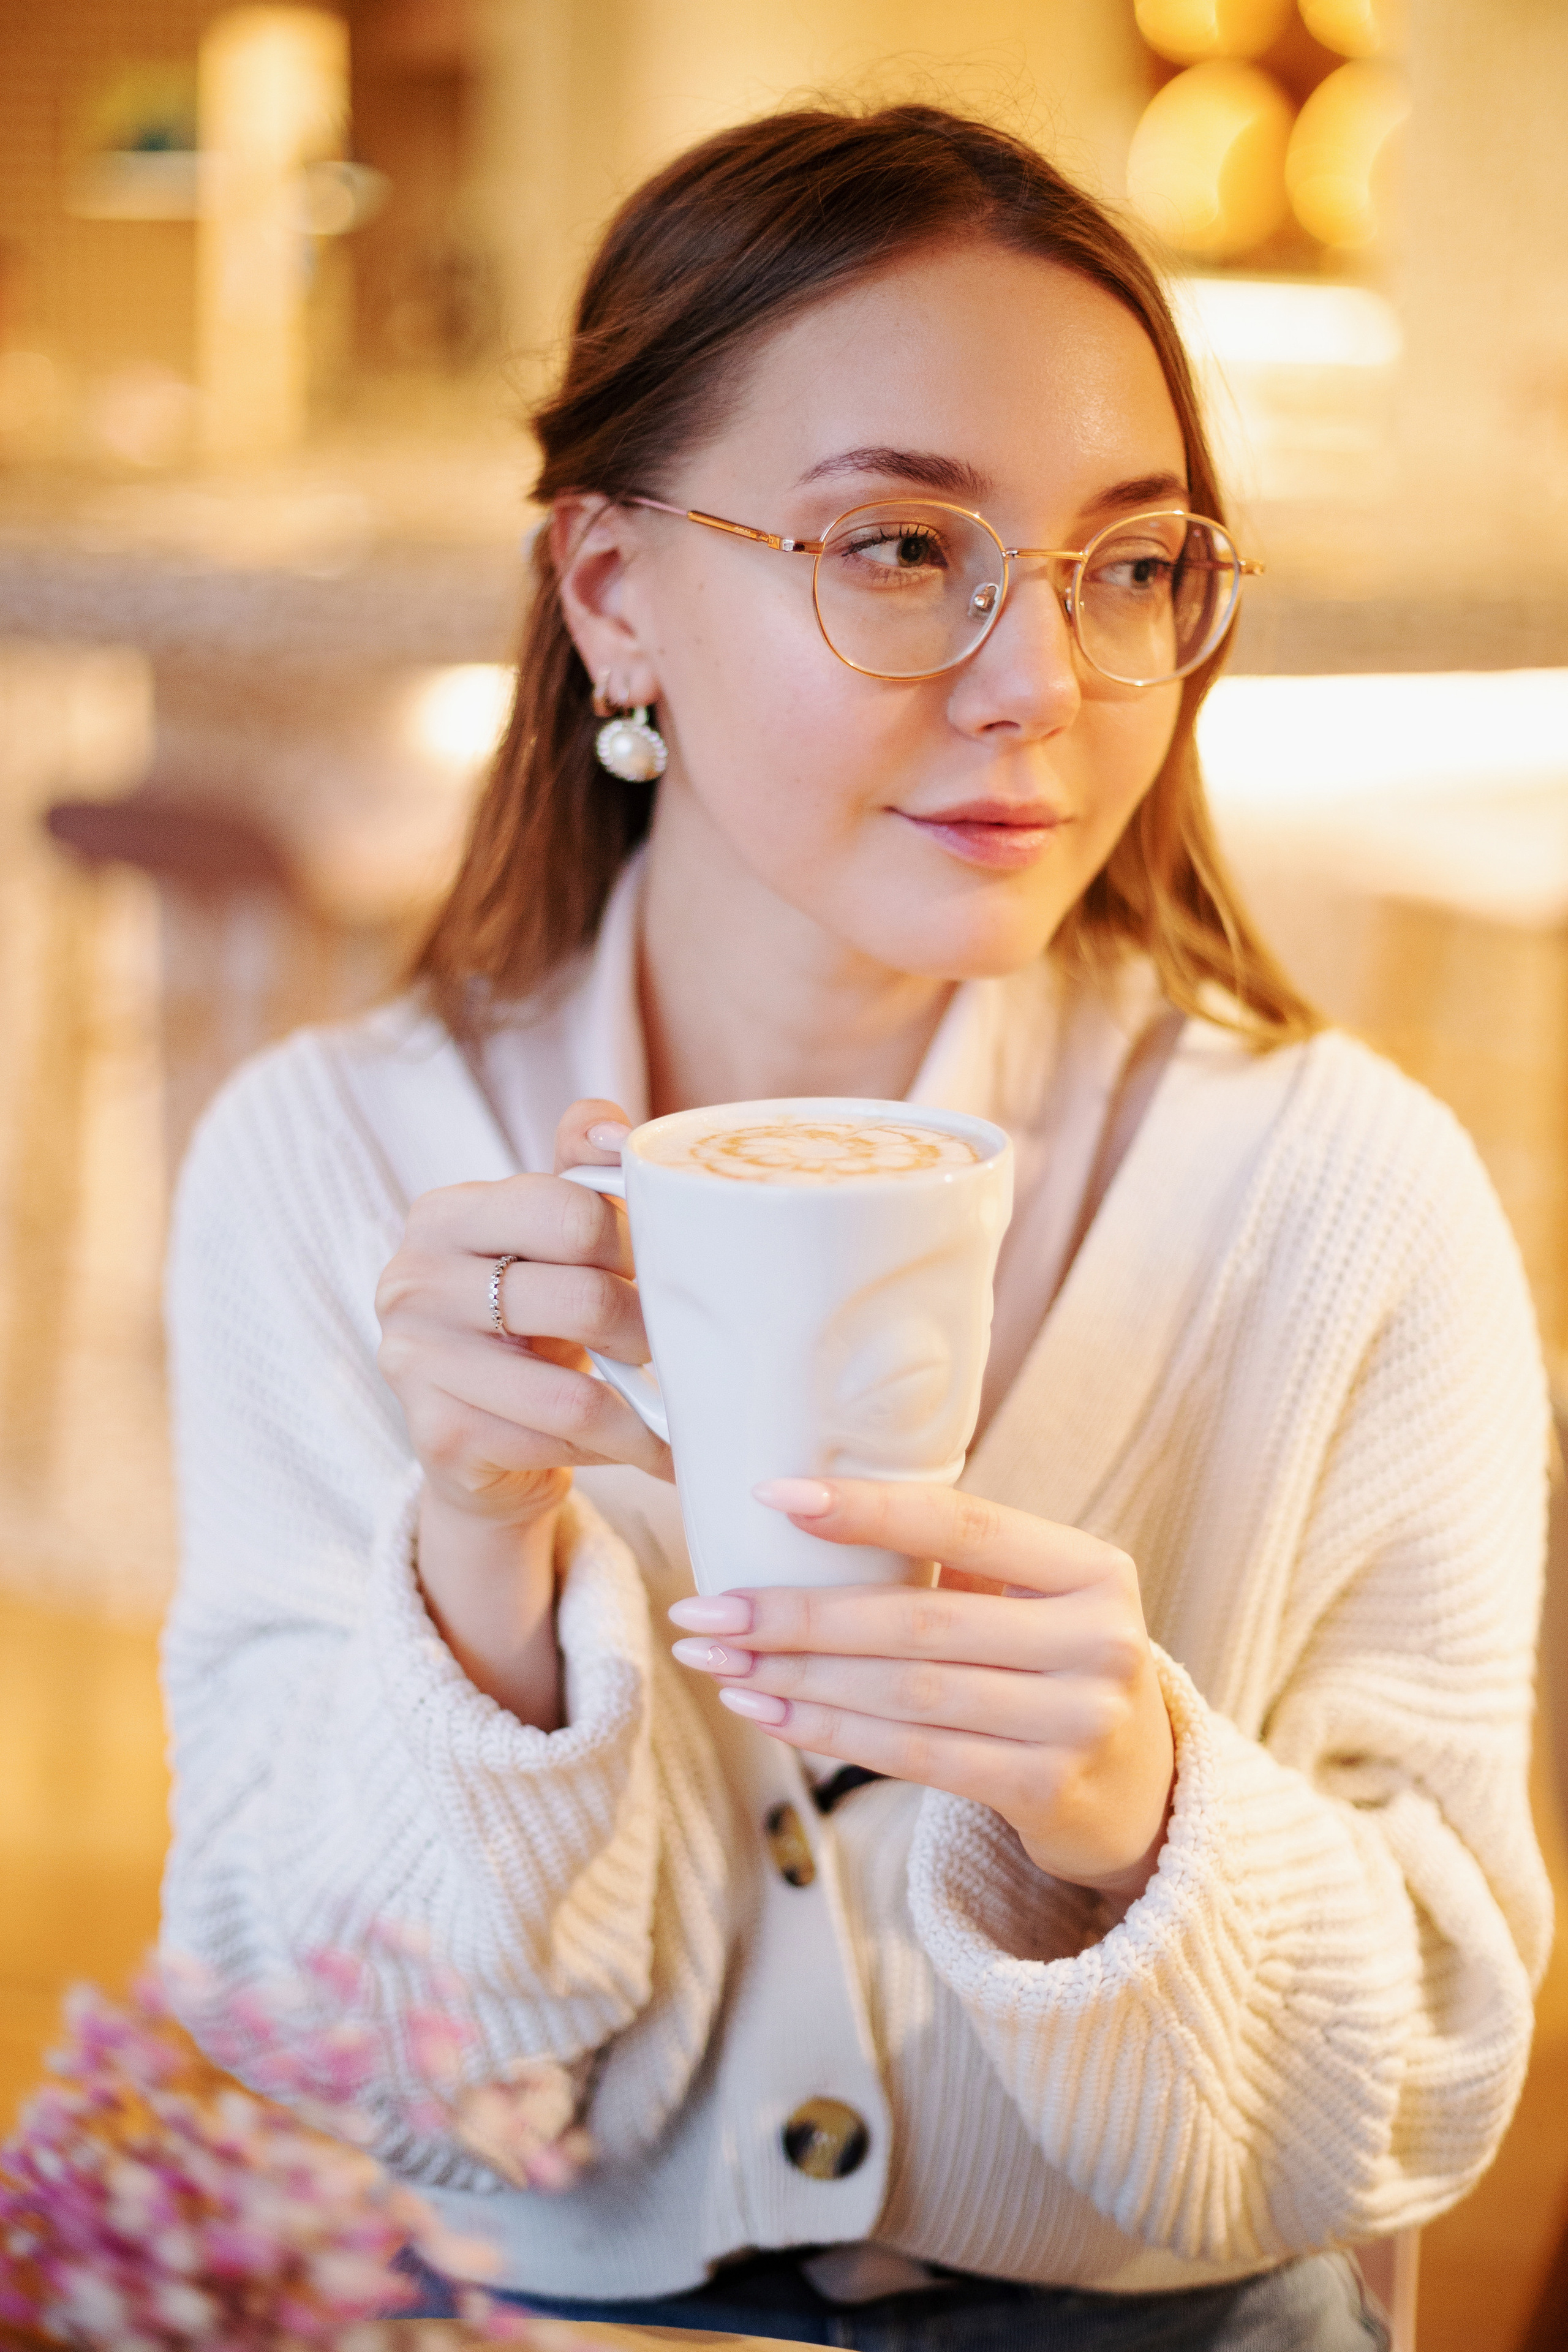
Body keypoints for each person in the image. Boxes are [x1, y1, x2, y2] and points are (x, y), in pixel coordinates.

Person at [161, 105, 1552, 2351]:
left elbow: (1413, 2105)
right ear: (612, 590)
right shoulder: (330, 1167)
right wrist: (479, 1579)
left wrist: (1135, 1810)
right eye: (900, 548)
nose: (1047, 685)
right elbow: (344, 2062)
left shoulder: (1340, 1195)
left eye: (1129, 565)